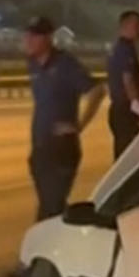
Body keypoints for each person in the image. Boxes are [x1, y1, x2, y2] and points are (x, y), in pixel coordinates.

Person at [23, 16, 105, 221]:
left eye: (35, 36)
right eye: (28, 35)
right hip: (40, 148)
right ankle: (62, 240)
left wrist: (78, 126)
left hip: (61, 148)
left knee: (50, 209)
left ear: (48, 38)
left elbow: (97, 90)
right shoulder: (32, 63)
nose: (29, 40)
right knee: (51, 206)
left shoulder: (65, 64)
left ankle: (42, 248)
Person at [106, 10, 139, 160]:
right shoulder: (125, 50)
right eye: (136, 25)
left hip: (120, 110)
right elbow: (128, 80)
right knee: (129, 157)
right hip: (126, 111)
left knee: (124, 155)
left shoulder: (120, 48)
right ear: (125, 26)